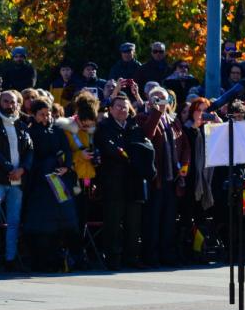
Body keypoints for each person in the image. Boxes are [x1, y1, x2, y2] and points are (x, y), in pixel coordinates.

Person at [95, 94, 153, 269]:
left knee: (133, 222)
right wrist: (130, 155)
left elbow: (144, 147)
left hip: (133, 181)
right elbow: (111, 149)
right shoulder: (104, 127)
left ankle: (132, 257)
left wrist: (132, 155)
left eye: (125, 107)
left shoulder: (135, 126)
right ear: (111, 109)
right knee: (113, 222)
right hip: (113, 181)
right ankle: (112, 258)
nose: (122, 109)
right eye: (118, 106)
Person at [23, 98, 78, 272]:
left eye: (48, 114)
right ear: (34, 115)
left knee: (61, 222)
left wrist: (66, 166)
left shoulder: (57, 131)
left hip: (59, 181)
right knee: (42, 225)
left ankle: (59, 260)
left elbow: (67, 150)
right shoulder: (30, 132)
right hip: (40, 184)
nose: (46, 117)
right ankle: (41, 262)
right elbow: (32, 157)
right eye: (42, 114)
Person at [0, 90, 32, 271]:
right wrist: (9, 168)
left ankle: (11, 258)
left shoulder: (23, 124)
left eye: (13, 102)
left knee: (14, 222)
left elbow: (30, 150)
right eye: (6, 101)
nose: (10, 105)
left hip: (18, 181)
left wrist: (23, 169)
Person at [54, 90, 100, 269]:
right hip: (71, 180)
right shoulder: (65, 128)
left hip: (87, 179)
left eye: (89, 124)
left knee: (81, 221)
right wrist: (80, 155)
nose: (85, 126)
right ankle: (71, 256)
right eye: (83, 123)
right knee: (71, 221)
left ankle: (79, 255)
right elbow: (61, 156)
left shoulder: (91, 130)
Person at [138, 87, 179, 267]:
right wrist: (155, 112)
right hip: (156, 179)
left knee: (169, 220)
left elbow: (181, 142)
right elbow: (148, 134)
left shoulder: (171, 120)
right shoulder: (143, 117)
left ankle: (167, 254)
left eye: (164, 99)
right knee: (153, 221)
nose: (161, 103)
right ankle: (151, 256)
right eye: (157, 99)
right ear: (149, 101)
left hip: (172, 178)